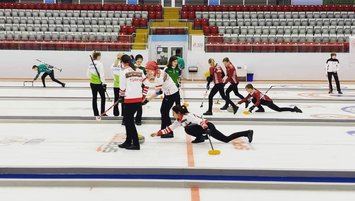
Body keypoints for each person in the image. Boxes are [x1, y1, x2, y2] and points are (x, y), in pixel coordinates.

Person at [151, 105, 254, 144]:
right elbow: (169, 129)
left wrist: (206, 129)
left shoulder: (188, 116)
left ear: (178, 113)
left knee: (226, 139)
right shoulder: (179, 120)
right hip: (204, 128)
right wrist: (157, 133)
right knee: (187, 128)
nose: (172, 115)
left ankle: (247, 132)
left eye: (173, 113)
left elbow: (200, 121)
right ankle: (200, 138)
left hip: (208, 126)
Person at [118, 54, 149, 150]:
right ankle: (128, 141)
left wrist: (121, 97)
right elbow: (147, 84)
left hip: (129, 100)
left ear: (122, 63)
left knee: (129, 122)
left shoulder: (124, 72)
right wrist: (143, 96)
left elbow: (122, 88)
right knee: (128, 122)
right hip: (138, 100)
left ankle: (135, 143)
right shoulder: (139, 71)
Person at [143, 60, 179, 139]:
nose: (147, 72)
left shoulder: (158, 77)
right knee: (163, 111)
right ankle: (163, 130)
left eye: (148, 70)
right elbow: (160, 90)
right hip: (169, 93)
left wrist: (146, 100)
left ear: (152, 69)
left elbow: (158, 92)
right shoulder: (158, 71)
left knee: (164, 111)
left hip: (171, 94)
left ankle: (169, 132)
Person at [238, 84, 303, 113]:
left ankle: (294, 109)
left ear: (250, 88)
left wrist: (253, 107)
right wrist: (239, 102)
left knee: (279, 109)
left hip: (268, 102)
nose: (246, 90)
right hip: (263, 101)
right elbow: (246, 98)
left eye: (247, 89)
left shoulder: (256, 92)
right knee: (253, 99)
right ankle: (261, 109)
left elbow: (258, 101)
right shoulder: (252, 92)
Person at [87, 51, 106, 119]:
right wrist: (104, 83)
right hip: (99, 84)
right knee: (103, 98)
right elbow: (102, 75)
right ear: (98, 56)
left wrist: (92, 79)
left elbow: (88, 74)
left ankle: (96, 113)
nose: (100, 57)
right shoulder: (100, 64)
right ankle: (102, 113)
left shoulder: (90, 64)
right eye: (100, 56)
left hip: (92, 83)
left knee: (94, 98)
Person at [134, 54, 146, 125]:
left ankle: (138, 119)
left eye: (140, 61)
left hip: (140, 88)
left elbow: (145, 79)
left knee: (139, 104)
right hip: (132, 88)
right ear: (135, 61)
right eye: (138, 61)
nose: (139, 62)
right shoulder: (132, 67)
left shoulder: (143, 68)